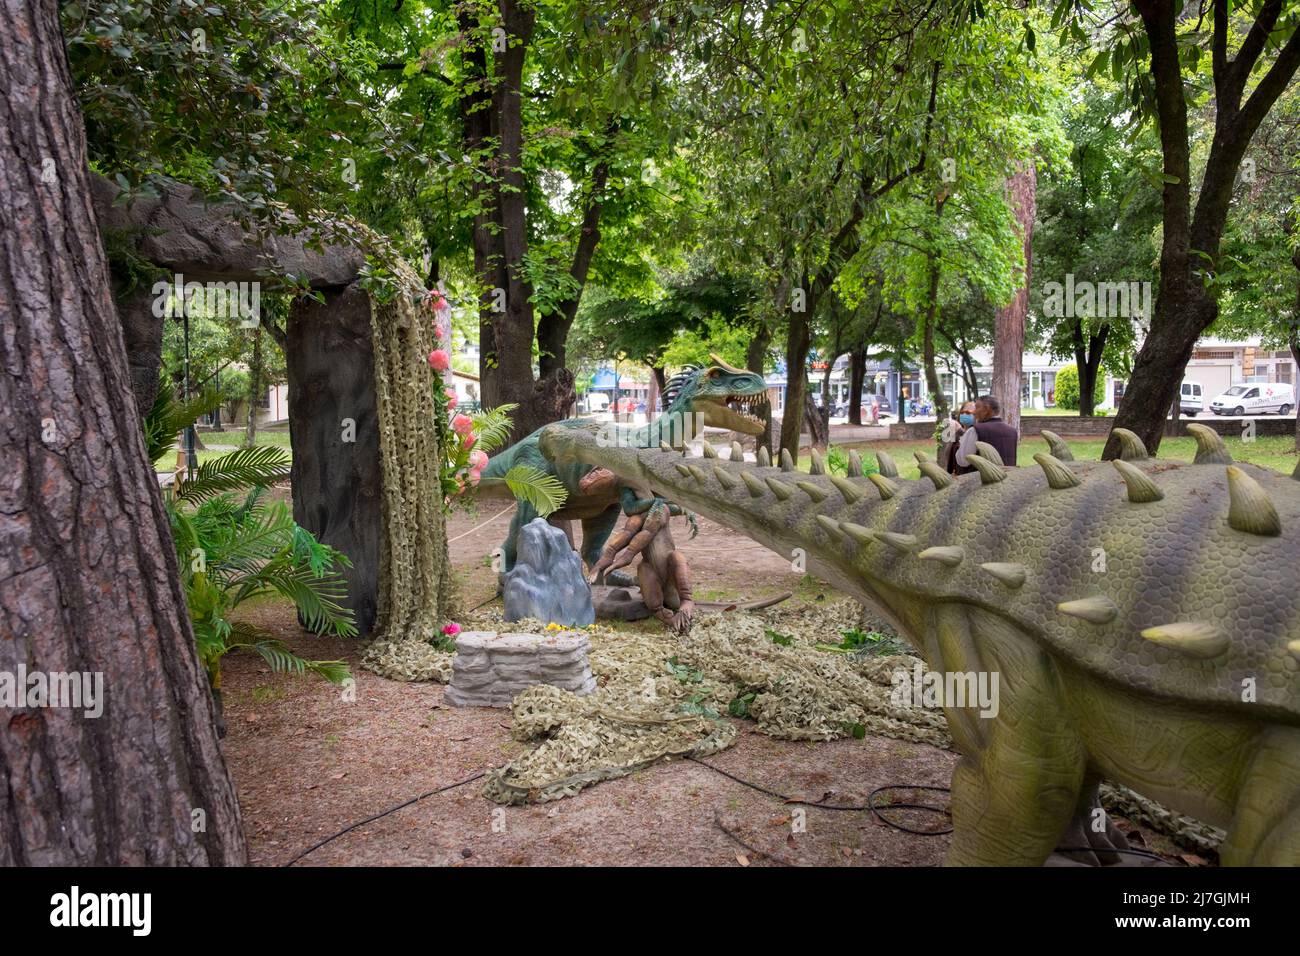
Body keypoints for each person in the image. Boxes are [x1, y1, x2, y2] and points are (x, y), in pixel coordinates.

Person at [954, 394, 1018, 473]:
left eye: (977, 407)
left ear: (986, 409)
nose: (974, 412)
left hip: (982, 481)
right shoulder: (1012, 431)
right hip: (1008, 480)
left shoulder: (976, 430)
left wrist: (960, 444)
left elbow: (963, 461)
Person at [939, 401, 977, 473]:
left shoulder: (976, 432)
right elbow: (947, 453)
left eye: (968, 413)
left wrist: (961, 432)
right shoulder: (955, 428)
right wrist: (952, 435)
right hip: (954, 471)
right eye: (962, 412)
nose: (964, 414)